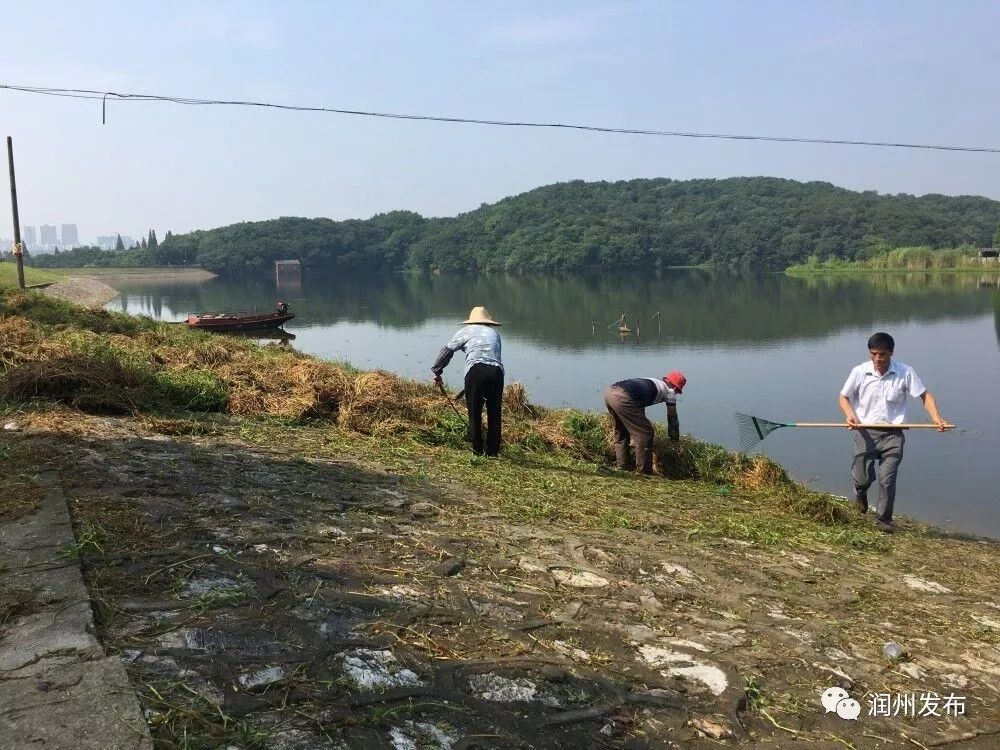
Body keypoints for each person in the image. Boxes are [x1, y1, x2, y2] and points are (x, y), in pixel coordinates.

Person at [838, 332, 949, 533]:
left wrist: (936, 418)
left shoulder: (905, 372)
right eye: (873, 354)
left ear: (891, 352)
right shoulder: (859, 372)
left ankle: (883, 520)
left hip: (894, 436)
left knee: (887, 480)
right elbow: (844, 397)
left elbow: (925, 395)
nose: (878, 359)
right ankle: (860, 493)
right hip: (865, 432)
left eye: (882, 354)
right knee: (862, 478)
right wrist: (850, 415)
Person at [431, 306, 504, 457]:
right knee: (494, 412)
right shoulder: (494, 334)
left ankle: (477, 451)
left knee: (475, 411)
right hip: (497, 372)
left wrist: (437, 370)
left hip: (476, 370)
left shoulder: (466, 331)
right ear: (488, 322)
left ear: (471, 321)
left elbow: (447, 350)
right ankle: (492, 453)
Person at [604, 371, 687, 474]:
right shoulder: (670, 392)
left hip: (609, 393)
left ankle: (622, 467)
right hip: (622, 397)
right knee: (645, 433)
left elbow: (637, 402)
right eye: (678, 391)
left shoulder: (653, 382)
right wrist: (675, 439)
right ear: (675, 388)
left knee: (622, 430)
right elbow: (672, 418)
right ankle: (644, 472)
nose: (677, 393)